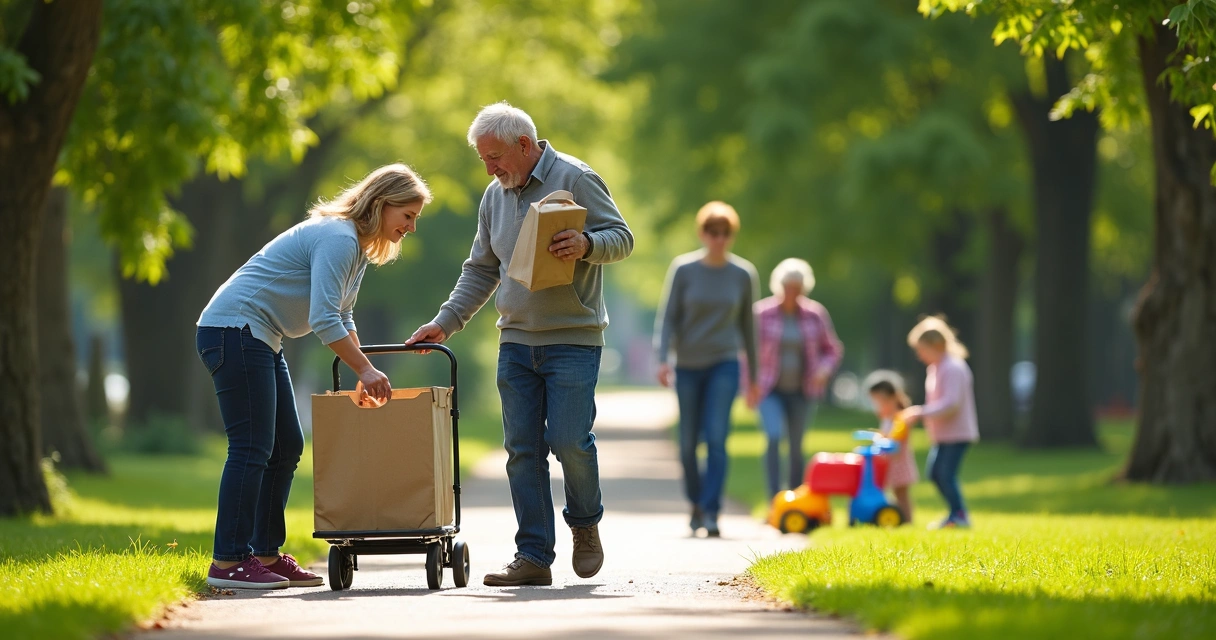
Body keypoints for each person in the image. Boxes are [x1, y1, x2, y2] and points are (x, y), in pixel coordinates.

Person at [406, 102, 633, 586]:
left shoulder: (576, 178)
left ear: (524, 146)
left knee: (570, 440)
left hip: (573, 338)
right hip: (515, 340)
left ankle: (585, 523)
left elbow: (623, 237)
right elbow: (482, 270)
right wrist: (446, 323)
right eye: (483, 159)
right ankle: (533, 557)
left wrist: (587, 244)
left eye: (494, 157)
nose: (488, 168)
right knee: (522, 450)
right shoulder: (495, 195)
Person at [196, 164, 432, 589]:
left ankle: (265, 552)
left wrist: (361, 366)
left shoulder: (355, 246)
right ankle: (228, 563)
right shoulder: (338, 238)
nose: (411, 227)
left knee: (286, 445)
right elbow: (323, 318)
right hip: (234, 331)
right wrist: (363, 367)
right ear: (381, 205)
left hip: (260, 335)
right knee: (251, 447)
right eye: (408, 216)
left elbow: (342, 313)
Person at [654, 201, 759, 537]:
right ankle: (696, 503)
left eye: (725, 233)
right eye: (712, 232)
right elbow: (668, 317)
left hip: (724, 363)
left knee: (716, 438)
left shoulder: (743, 274)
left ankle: (712, 511)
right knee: (687, 443)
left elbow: (749, 329)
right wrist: (662, 359)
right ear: (703, 233)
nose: (718, 239)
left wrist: (754, 376)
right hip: (687, 364)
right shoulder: (684, 270)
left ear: (731, 235)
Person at [748, 258, 843, 500]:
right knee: (773, 437)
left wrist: (824, 369)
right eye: (788, 286)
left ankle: (796, 498)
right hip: (769, 389)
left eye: (797, 287)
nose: (792, 292)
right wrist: (749, 384)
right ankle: (774, 499)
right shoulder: (761, 313)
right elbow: (746, 352)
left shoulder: (815, 314)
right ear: (779, 286)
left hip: (803, 389)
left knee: (796, 446)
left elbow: (832, 348)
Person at [898, 316, 979, 529]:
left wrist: (920, 412)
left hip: (957, 433)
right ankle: (955, 513)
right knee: (935, 473)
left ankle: (959, 514)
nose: (919, 355)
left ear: (937, 346)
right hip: (943, 434)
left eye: (922, 349)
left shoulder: (953, 368)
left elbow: (951, 403)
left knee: (945, 474)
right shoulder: (935, 368)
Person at [866, 372, 918, 523]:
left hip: (899, 462)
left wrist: (883, 439)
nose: (878, 407)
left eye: (881, 403)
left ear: (893, 399)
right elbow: (884, 434)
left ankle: (908, 521)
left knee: (901, 494)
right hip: (890, 462)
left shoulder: (901, 418)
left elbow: (897, 438)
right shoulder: (887, 418)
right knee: (896, 493)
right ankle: (900, 519)